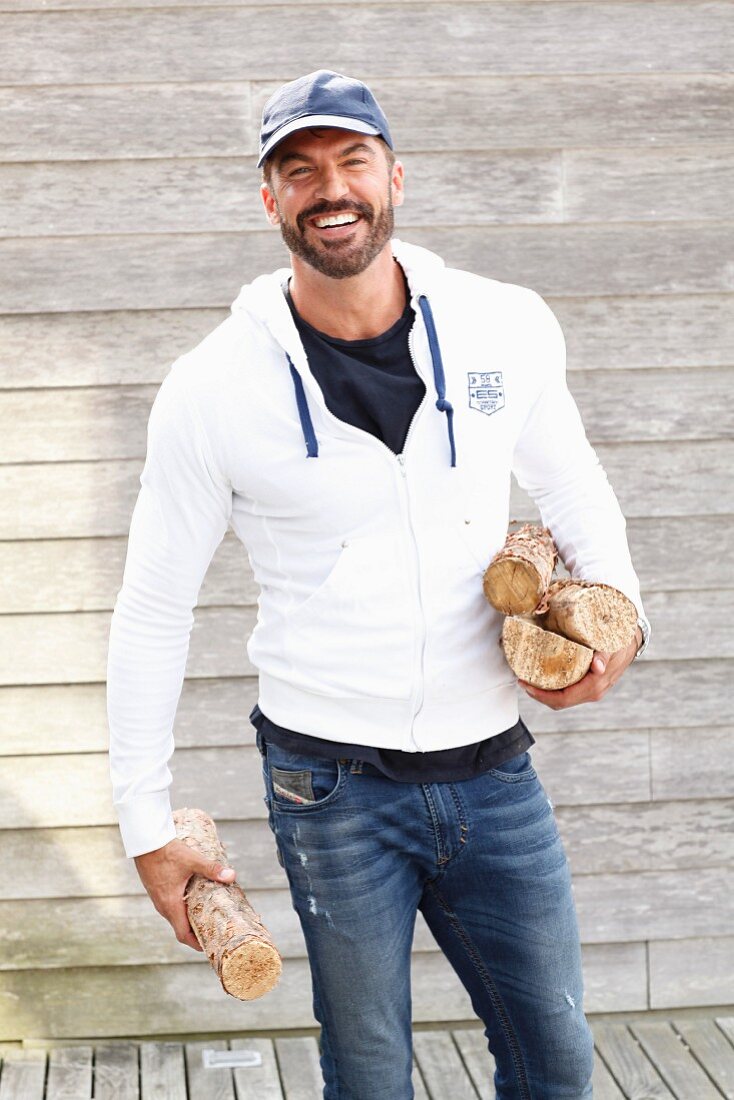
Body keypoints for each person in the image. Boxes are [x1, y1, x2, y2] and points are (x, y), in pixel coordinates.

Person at [107, 69, 651, 1099]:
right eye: (298, 169)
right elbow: (152, 606)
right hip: (328, 786)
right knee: (366, 1075)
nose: (330, 188)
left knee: (556, 1061)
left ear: (394, 175)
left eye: (351, 159)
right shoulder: (210, 388)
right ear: (269, 201)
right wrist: (143, 818)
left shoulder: (506, 327)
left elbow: (571, 481)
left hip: (493, 771)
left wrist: (615, 611)